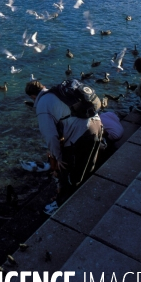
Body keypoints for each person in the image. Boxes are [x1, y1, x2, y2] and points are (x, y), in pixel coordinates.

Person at [25, 80, 103, 214]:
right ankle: (84, 198)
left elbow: (50, 136)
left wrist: (58, 157)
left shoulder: (42, 104)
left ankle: (62, 204)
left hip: (82, 134)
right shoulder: (58, 93)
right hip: (97, 126)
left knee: (66, 170)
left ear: (33, 97)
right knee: (87, 167)